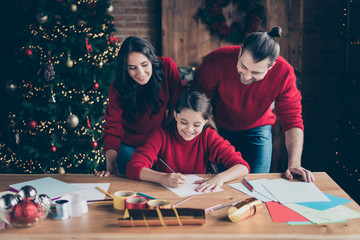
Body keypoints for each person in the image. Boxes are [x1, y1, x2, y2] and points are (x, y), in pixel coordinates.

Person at [192, 26, 314, 182]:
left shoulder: (284, 73)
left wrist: (294, 163)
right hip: (218, 127)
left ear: (271, 66)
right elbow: (198, 102)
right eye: (243, 66)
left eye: (256, 72)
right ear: (240, 51)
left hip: (258, 129)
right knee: (220, 182)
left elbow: (292, 120)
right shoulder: (216, 61)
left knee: (256, 183)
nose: (247, 76)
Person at [126, 91, 250, 192]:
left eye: (196, 125)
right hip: (164, 194)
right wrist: (163, 178)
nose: (189, 130)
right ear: (175, 116)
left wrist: (220, 178)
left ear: (205, 122)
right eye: (183, 122)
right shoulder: (161, 135)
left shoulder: (208, 136)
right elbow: (133, 168)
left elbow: (243, 167)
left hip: (197, 194)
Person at [96, 36, 184, 177]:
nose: (141, 73)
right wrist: (110, 167)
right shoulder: (117, 87)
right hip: (128, 145)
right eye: (132, 68)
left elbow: (179, 107)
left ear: (152, 60)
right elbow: (113, 127)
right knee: (132, 185)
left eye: (144, 64)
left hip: (159, 141)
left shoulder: (167, 67)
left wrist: (170, 143)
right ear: (125, 69)